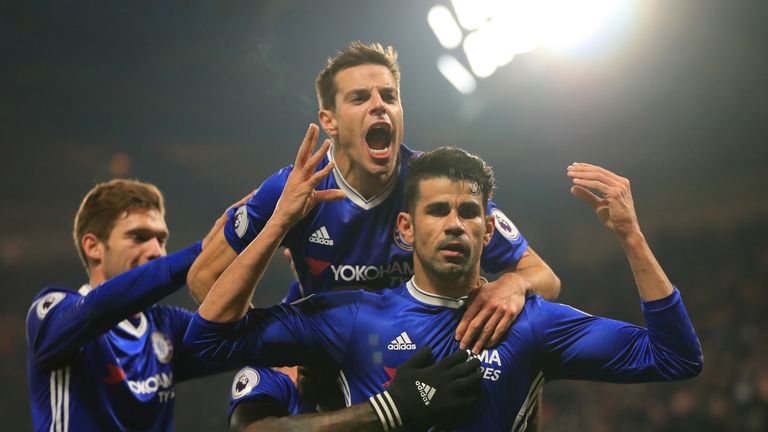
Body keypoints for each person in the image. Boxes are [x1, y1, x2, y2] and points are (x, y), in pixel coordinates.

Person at [184, 137, 704, 431]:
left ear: (487, 228)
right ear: (406, 229)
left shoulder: (532, 322)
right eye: (437, 210)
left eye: (469, 212)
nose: (455, 223)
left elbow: (676, 358)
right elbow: (207, 339)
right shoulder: (352, 317)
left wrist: (631, 237)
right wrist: (277, 224)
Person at [187, 42, 561, 356]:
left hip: (414, 359)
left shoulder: (436, 186)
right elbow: (203, 276)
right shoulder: (294, 189)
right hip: (324, 357)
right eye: (360, 98)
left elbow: (544, 278)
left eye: (389, 96)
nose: (379, 105)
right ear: (329, 121)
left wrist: (512, 285)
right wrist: (274, 353)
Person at [25, 179, 238, 431]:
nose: (156, 251)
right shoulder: (52, 313)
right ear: (93, 247)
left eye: (161, 240)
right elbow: (96, 310)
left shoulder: (167, 325)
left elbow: (249, 341)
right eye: (139, 237)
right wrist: (201, 253)